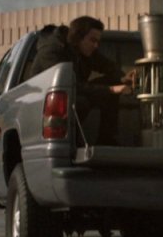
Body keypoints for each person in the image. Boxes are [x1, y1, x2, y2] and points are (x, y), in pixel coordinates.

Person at [31, 15, 135, 145]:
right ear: (78, 37)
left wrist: (122, 77)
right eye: (92, 40)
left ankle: (106, 139)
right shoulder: (53, 51)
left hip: (73, 91)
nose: (96, 45)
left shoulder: (84, 50)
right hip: (46, 103)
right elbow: (67, 85)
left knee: (111, 84)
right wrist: (111, 89)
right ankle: (71, 141)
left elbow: (106, 65)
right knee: (81, 101)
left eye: (98, 41)